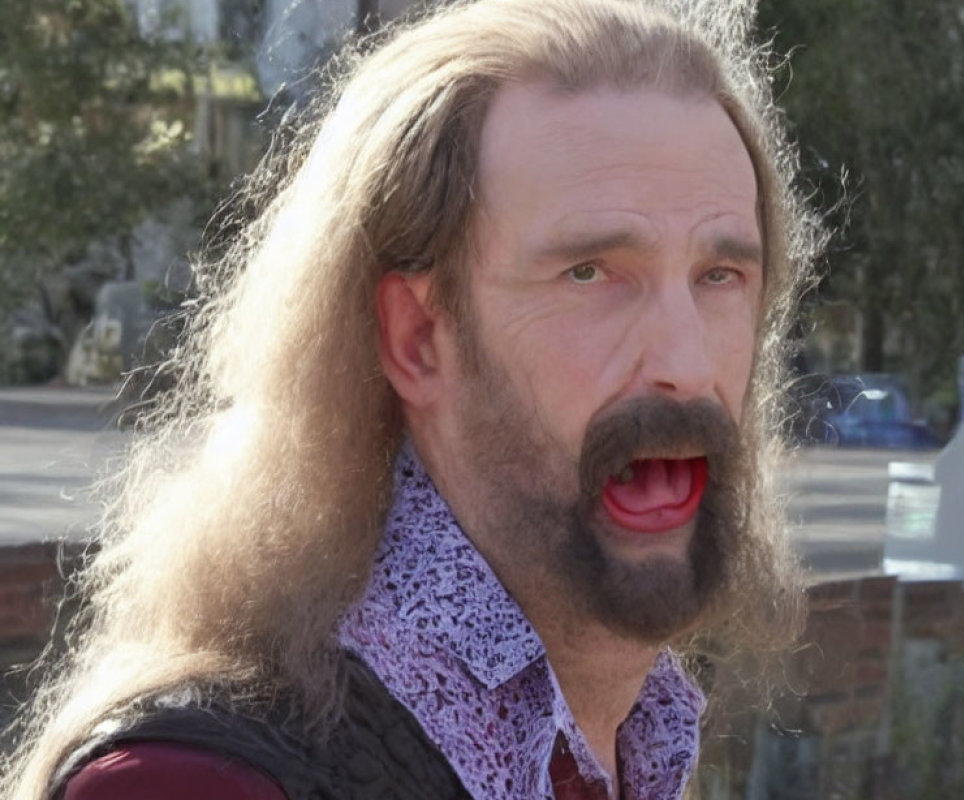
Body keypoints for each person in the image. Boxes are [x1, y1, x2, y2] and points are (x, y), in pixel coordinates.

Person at [2, 1, 822, 798]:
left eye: (721, 276)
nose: (686, 363)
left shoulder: (638, 737)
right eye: (590, 272)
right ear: (418, 340)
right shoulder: (192, 785)